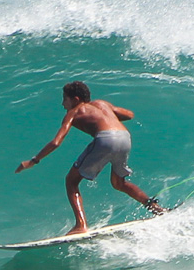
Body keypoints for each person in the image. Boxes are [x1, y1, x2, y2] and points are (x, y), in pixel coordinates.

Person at [14, 80, 166, 235]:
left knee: (71, 181)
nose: (62, 104)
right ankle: (155, 208)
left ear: (76, 99)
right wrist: (108, 117)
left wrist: (33, 160)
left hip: (105, 139)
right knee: (119, 183)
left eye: (64, 99)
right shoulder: (102, 104)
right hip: (125, 137)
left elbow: (56, 142)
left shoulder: (73, 113)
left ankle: (81, 225)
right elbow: (129, 114)